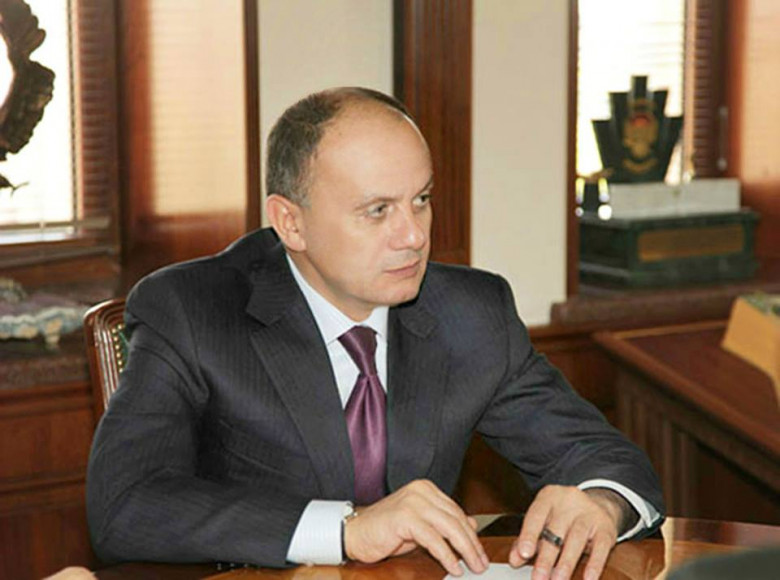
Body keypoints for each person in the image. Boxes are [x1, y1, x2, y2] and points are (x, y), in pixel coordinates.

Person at [87, 87, 664, 580]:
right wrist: (347, 529)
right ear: (291, 222)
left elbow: (605, 458)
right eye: (378, 210)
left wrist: (600, 503)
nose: (413, 236)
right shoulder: (193, 311)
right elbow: (126, 505)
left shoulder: (471, 312)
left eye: (421, 200)